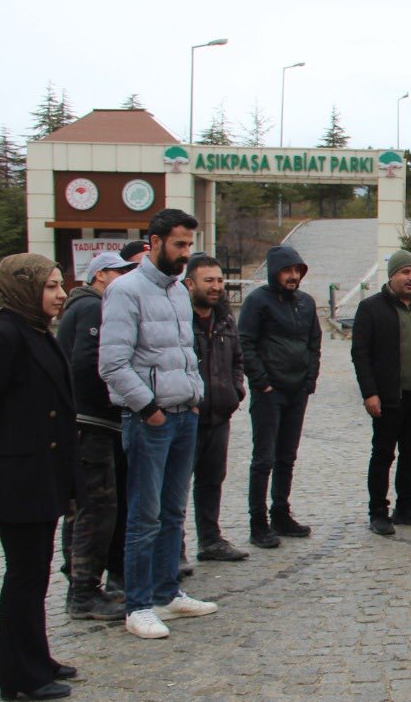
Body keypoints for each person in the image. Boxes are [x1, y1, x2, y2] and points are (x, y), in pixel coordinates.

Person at [0, 254, 80, 700]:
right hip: (19, 474)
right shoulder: (6, 334)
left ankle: (35, 657)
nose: (60, 295)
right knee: (24, 575)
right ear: (24, 288)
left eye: (60, 285)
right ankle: (17, 676)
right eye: (50, 287)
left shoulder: (34, 330)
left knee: (35, 573)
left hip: (41, 471)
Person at [100, 208, 219, 639]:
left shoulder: (175, 291)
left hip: (183, 414)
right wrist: (148, 407)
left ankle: (168, 592)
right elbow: (113, 363)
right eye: (179, 245)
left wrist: (194, 397)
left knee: (172, 511)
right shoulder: (126, 291)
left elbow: (184, 352)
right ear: (153, 242)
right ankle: (138, 604)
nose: (186, 253)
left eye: (189, 244)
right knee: (144, 514)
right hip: (149, 419)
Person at [55, 251, 135, 621]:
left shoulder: (85, 307)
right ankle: (84, 591)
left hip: (85, 421)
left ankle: (79, 579)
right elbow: (88, 364)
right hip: (92, 423)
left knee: (83, 506)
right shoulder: (92, 309)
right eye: (121, 272)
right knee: (97, 507)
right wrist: (117, 400)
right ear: (101, 275)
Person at [240, 244, 322, 548]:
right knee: (264, 458)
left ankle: (280, 512)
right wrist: (262, 382)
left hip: (297, 389)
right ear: (275, 272)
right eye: (287, 270)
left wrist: (309, 379)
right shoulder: (257, 302)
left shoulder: (307, 303)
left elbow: (314, 341)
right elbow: (245, 343)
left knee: (287, 456)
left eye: (296, 270)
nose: (292, 276)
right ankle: (257, 521)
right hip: (269, 392)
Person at [351, 249, 411, 536]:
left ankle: (405, 507)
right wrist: (369, 393)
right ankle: (378, 512)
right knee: (383, 454)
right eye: (405, 272)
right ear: (393, 276)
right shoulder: (371, 308)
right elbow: (360, 354)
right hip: (389, 397)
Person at [183, 254, 249, 562]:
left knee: (211, 480)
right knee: (177, 487)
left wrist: (236, 390)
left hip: (219, 415)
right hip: (186, 416)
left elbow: (237, 358)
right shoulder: (179, 319)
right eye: (209, 280)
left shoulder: (225, 318)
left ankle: (210, 540)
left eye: (220, 280)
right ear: (190, 283)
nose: (216, 287)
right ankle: (175, 549)